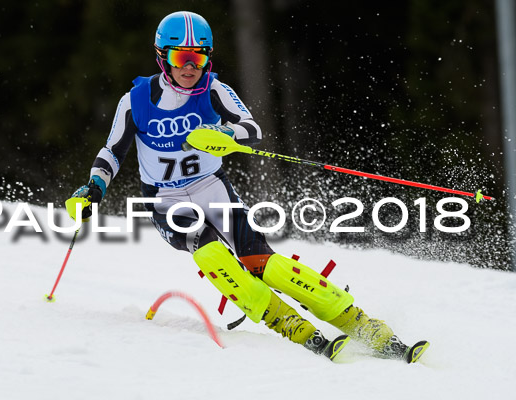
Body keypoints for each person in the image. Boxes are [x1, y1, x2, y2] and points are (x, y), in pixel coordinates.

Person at [71, 11, 429, 363]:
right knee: (211, 255)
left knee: (263, 263)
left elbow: (252, 129)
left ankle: (362, 325)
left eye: (199, 57)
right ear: (162, 57)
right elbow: (111, 153)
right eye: (181, 57)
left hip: (212, 187)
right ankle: (291, 325)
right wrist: (94, 189)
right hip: (167, 202)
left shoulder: (214, 91)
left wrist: (225, 134)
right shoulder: (134, 102)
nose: (190, 67)